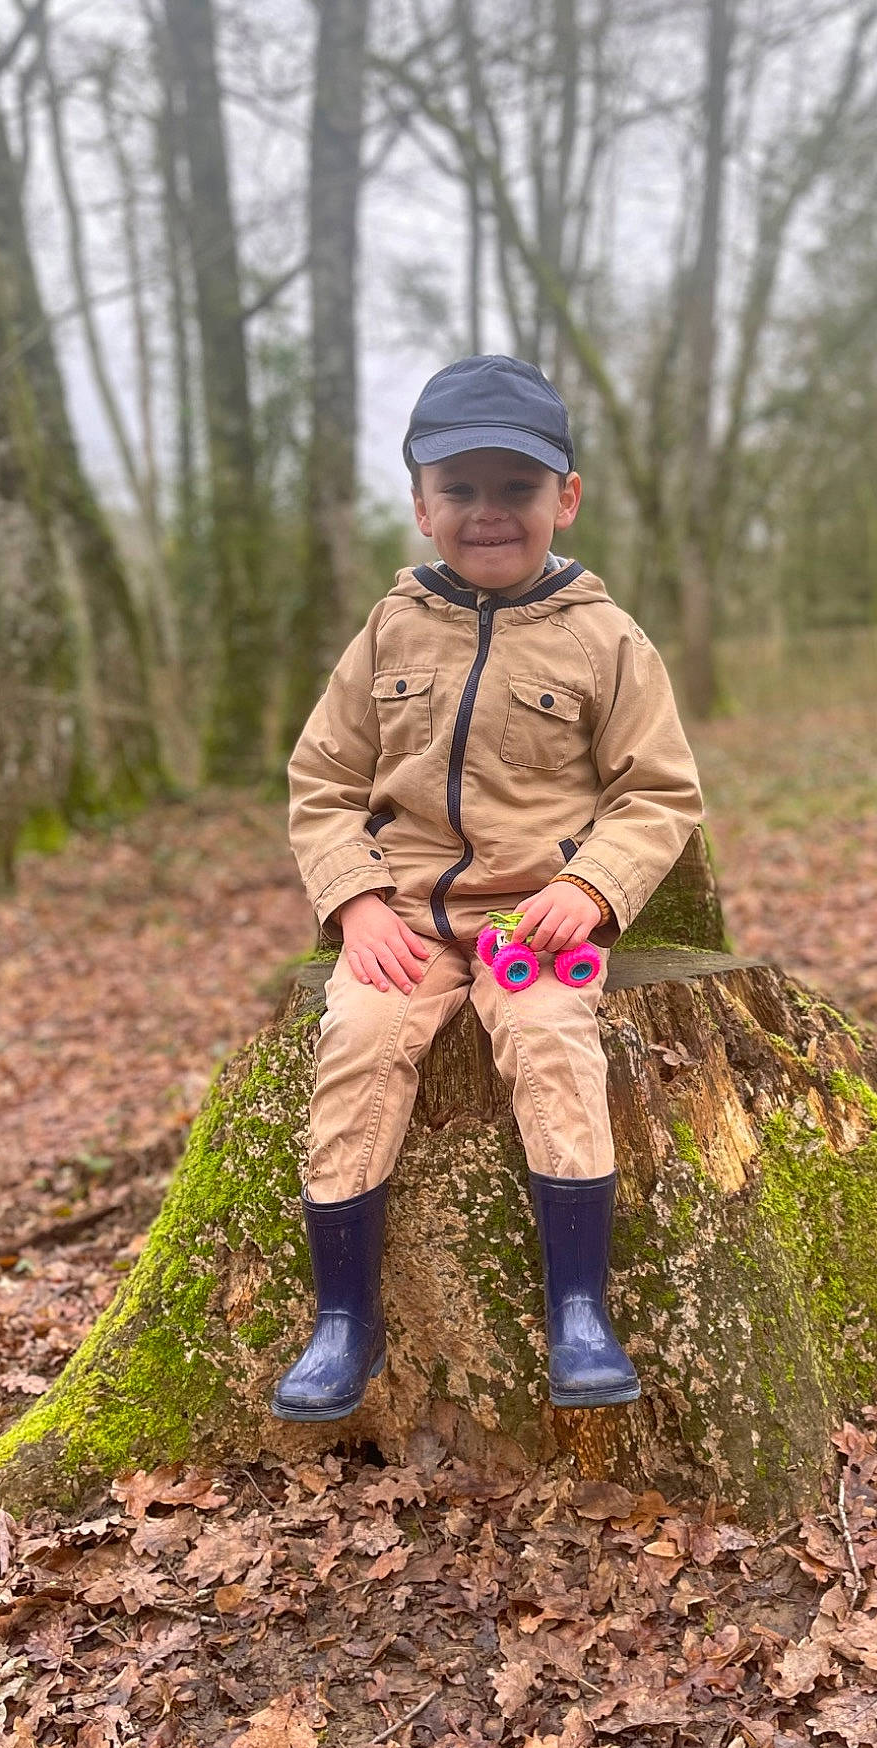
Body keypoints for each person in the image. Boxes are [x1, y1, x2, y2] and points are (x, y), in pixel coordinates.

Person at [277, 354, 703, 1422]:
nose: (486, 512)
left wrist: (594, 889)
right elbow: (322, 781)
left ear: (564, 497)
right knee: (359, 1048)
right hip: (407, 924)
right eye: (459, 488)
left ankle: (578, 1309)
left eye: (515, 488)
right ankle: (344, 1318)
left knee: (556, 1044)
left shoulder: (604, 637)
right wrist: (356, 903)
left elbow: (660, 792)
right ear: (421, 503)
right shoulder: (389, 629)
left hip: (536, 920)